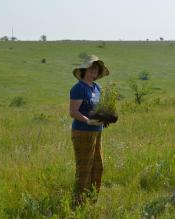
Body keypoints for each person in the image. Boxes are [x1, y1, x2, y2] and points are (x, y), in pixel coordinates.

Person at [69, 55, 109, 208]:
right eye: (91, 68)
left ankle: (92, 200)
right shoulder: (78, 88)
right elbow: (73, 112)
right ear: (85, 70)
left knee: (98, 166)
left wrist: (105, 118)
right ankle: (78, 204)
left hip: (97, 132)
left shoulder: (97, 87)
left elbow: (99, 108)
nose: (94, 71)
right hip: (82, 132)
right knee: (84, 168)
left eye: (96, 69)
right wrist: (87, 120)